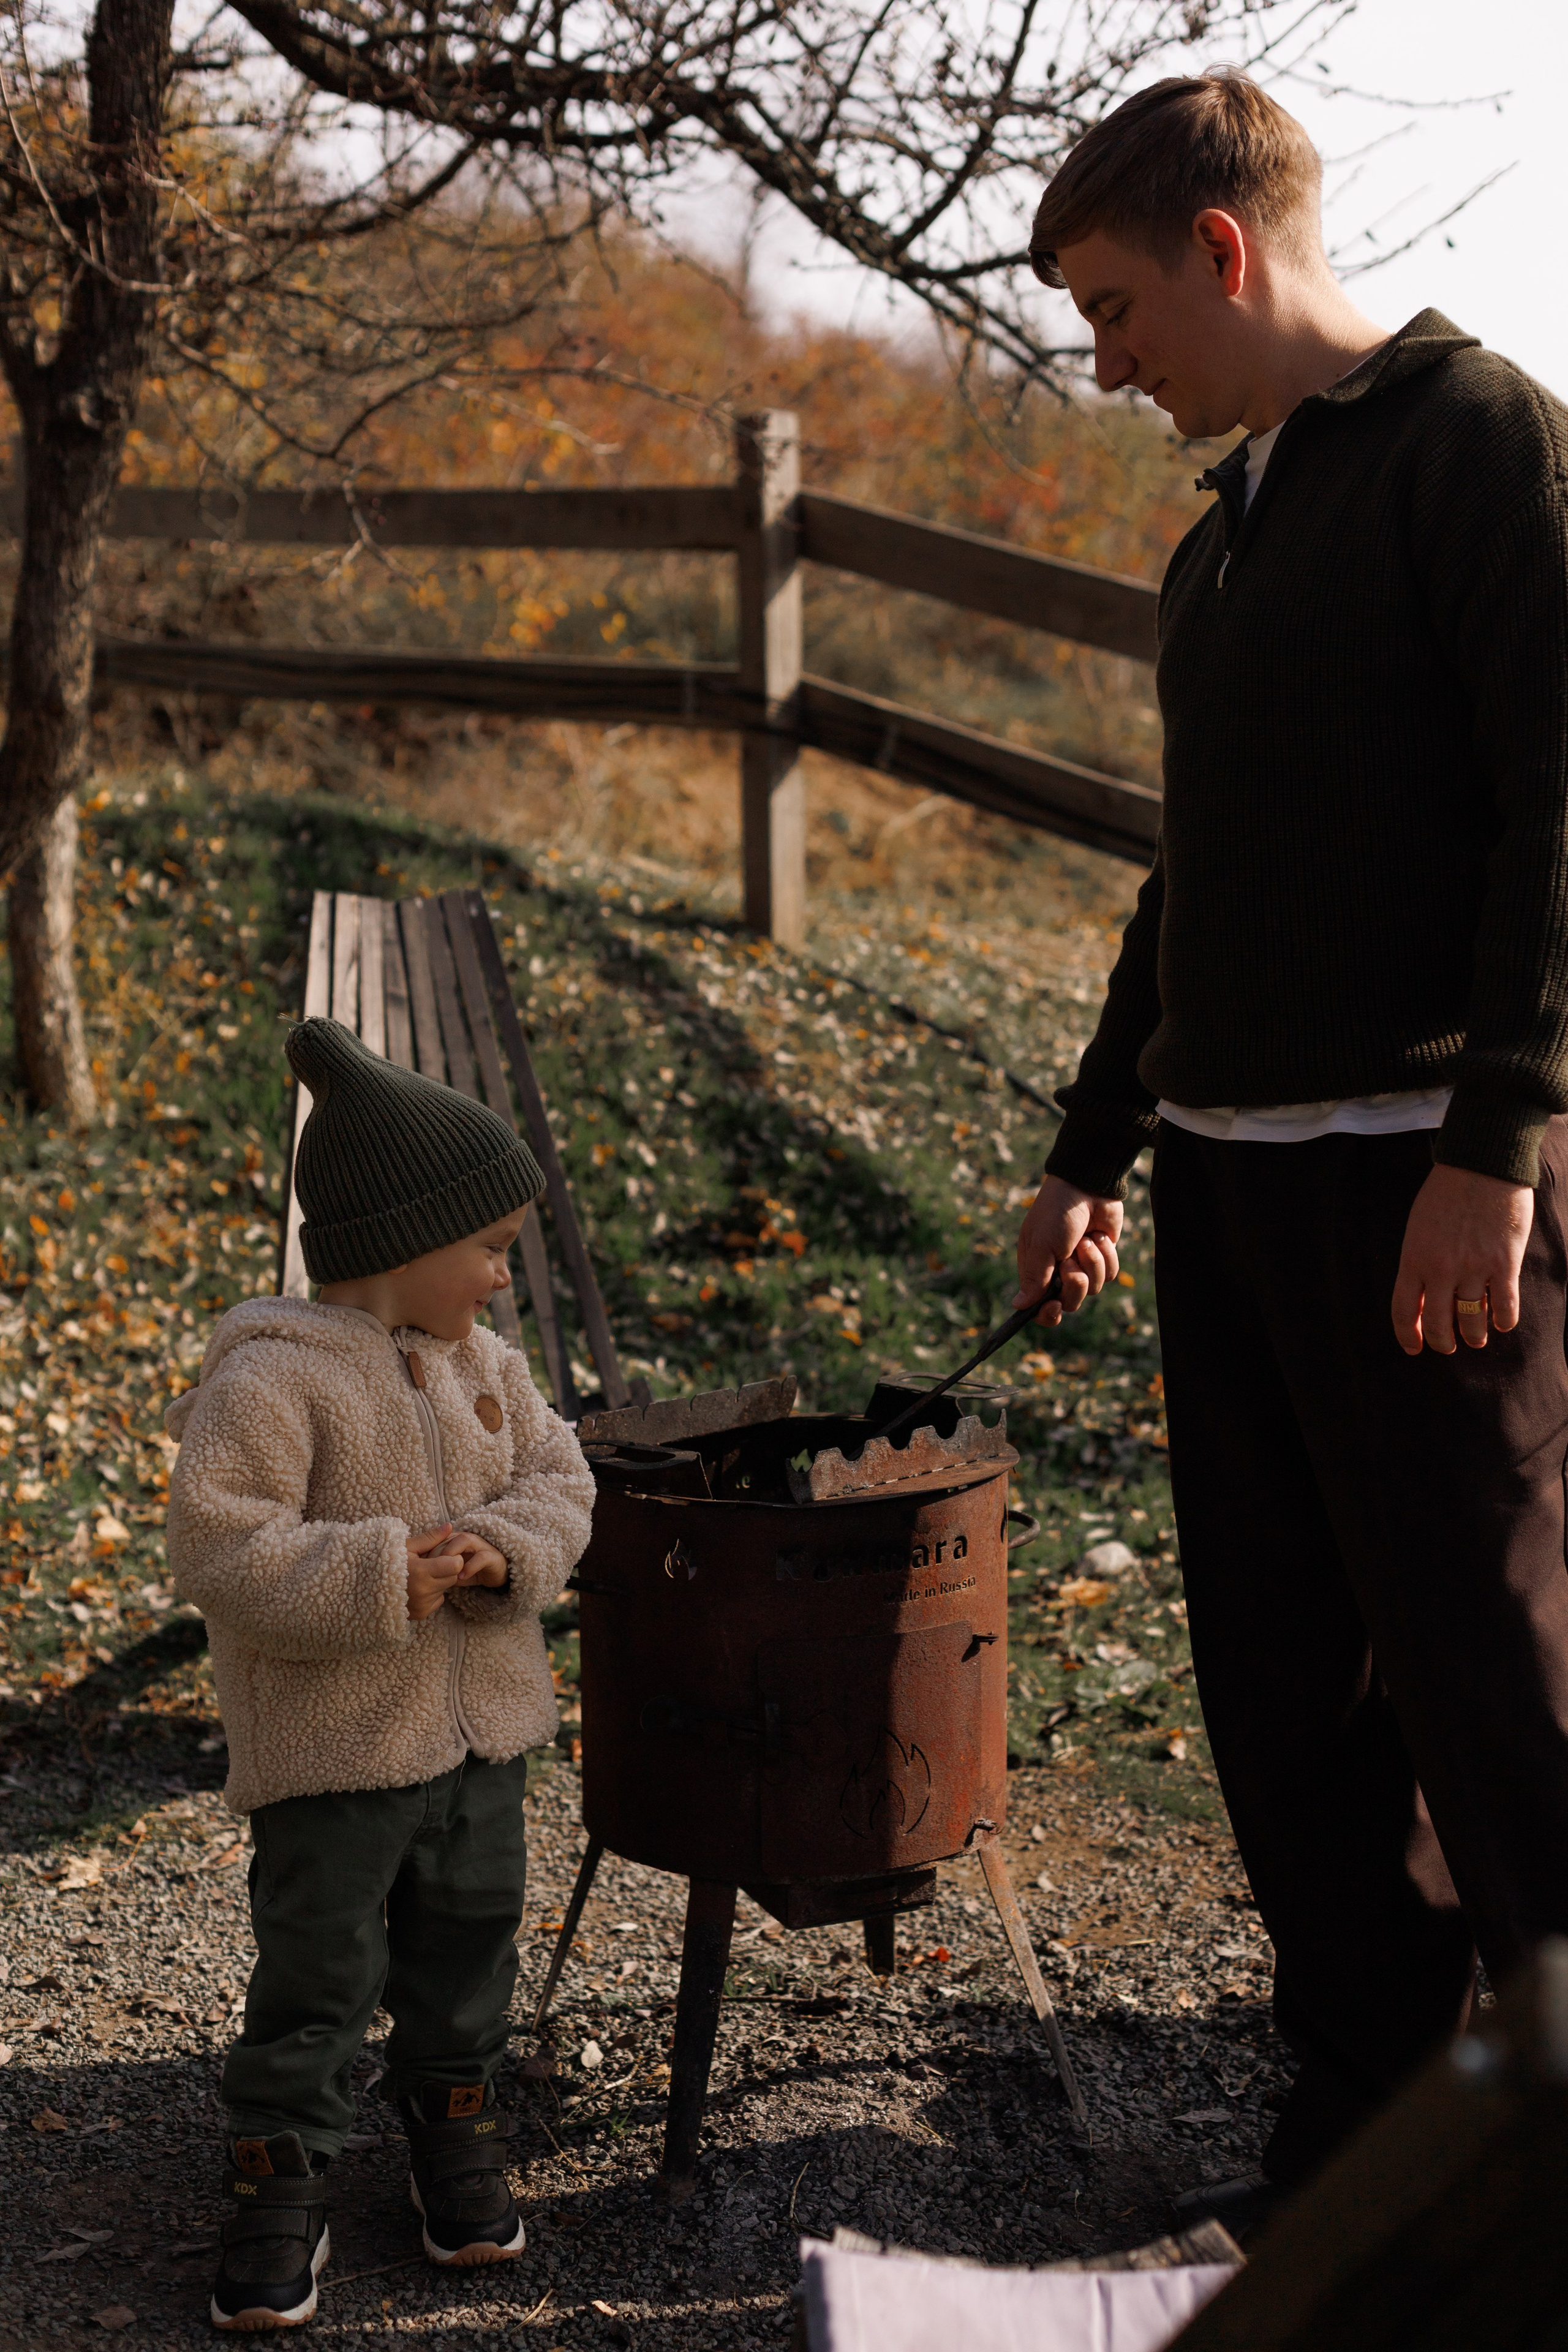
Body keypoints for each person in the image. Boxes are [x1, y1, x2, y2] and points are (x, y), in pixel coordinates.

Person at [1014, 70, 1568, 2206]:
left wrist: (1500, 1143)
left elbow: (1559, 808)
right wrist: (1093, 1145)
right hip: (1232, 1195)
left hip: (1420, 1183)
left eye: (1119, 305)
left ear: (1223, 254)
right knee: (1290, 1703)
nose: (1107, 356)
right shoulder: (1217, 542)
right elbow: (1199, 881)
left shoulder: (1480, 445)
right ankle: (1374, 2137)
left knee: (1498, 1694)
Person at [167, 1017, 595, 2331]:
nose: (501, 1283)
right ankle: (279, 2169)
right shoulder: (272, 1379)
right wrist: (374, 1574)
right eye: (487, 1252)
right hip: (335, 1749)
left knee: (467, 1942)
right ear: (399, 1245)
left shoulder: (490, 1372)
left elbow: (562, 1482)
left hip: (480, 1743)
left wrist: (504, 1547)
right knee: (320, 1966)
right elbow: (220, 1545)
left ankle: (451, 2119)